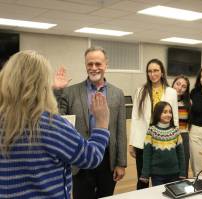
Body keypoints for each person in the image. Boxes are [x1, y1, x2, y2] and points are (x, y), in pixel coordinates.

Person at [0, 50, 110, 199]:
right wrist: (102, 123)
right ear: (42, 83)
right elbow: (91, 157)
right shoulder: (51, 126)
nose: (94, 67)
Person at [53, 47, 127, 198]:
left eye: (98, 64)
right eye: (90, 64)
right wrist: (57, 91)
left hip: (107, 159)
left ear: (106, 65)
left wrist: (121, 163)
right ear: (85, 65)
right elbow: (56, 118)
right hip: (80, 157)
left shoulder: (117, 93)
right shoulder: (70, 92)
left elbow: (120, 130)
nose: (94, 68)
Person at [129, 58, 178, 189]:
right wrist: (132, 143)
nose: (152, 74)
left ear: (162, 73)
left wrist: (175, 141)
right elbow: (135, 117)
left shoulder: (171, 92)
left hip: (164, 142)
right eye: (149, 71)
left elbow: (175, 119)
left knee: (162, 179)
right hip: (143, 141)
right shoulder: (140, 91)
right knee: (143, 179)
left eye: (156, 70)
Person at [139, 101, 186, 186]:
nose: (168, 114)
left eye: (170, 112)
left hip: (174, 173)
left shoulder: (176, 131)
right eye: (165, 112)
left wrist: (183, 172)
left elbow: (181, 154)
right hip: (157, 175)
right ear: (157, 113)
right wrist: (145, 174)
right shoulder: (151, 131)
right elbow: (147, 154)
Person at [172, 75, 191, 178]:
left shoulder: (189, 103)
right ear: (173, 84)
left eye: (183, 86)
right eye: (178, 84)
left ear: (186, 90)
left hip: (183, 136)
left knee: (183, 168)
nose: (179, 88)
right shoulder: (165, 100)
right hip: (167, 137)